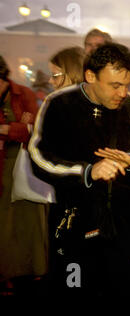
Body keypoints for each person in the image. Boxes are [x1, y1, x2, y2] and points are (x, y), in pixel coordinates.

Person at [28, 43, 130, 295]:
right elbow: (39, 157)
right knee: (76, 288)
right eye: (115, 85)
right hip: (74, 222)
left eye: (126, 85)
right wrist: (87, 172)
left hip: (125, 222)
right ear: (90, 76)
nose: (123, 93)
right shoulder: (59, 104)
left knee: (129, 289)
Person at [0, 55, 45, 294]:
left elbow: (33, 129)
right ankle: (6, 274)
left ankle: (28, 269)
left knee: (24, 222)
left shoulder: (23, 93)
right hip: (3, 164)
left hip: (17, 164)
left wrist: (8, 129)